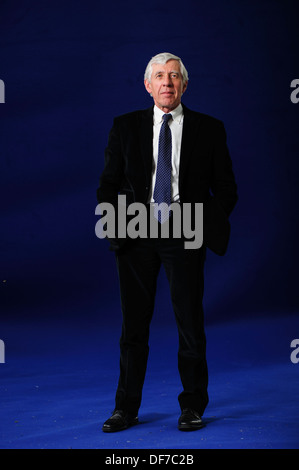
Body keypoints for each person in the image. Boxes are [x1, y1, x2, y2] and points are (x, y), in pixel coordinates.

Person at [97, 52, 238, 432]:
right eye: (159, 76)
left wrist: (203, 223)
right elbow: (107, 186)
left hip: (185, 229)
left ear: (185, 85)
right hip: (137, 232)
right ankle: (125, 409)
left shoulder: (209, 128)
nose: (167, 83)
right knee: (133, 327)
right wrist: (120, 227)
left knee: (189, 322)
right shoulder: (124, 127)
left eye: (174, 76)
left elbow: (226, 188)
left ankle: (192, 406)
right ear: (147, 85)